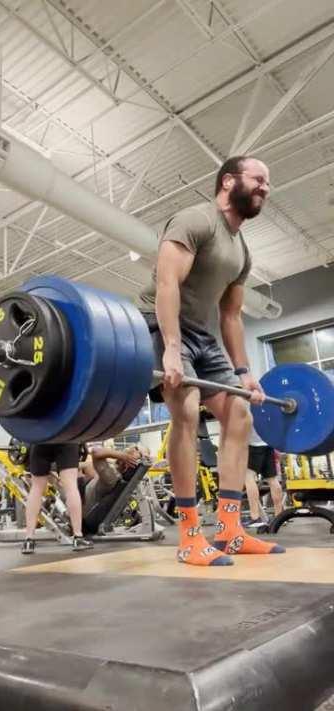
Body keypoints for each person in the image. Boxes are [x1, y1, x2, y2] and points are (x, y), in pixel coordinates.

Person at [137, 154, 285, 566]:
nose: (265, 188)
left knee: (239, 415)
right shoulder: (195, 220)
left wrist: (244, 372)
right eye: (258, 179)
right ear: (227, 182)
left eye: (267, 183)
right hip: (163, 323)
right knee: (185, 410)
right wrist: (169, 346)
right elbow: (167, 283)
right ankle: (188, 536)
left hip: (204, 336)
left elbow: (231, 315)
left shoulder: (242, 251)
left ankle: (231, 531)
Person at [21, 442, 93, 554]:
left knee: (36, 489)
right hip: (66, 438)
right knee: (71, 487)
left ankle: (28, 540)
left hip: (41, 439)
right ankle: (78, 538)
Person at [83, 443, 148, 517]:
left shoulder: (112, 478)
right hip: (84, 513)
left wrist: (121, 455)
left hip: (86, 515)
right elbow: (95, 453)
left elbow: (95, 451)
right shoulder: (115, 476)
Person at [244, 427, 284, 528]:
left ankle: (255, 517)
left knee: (249, 477)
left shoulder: (246, 409)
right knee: (272, 479)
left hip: (252, 444)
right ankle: (279, 517)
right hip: (268, 443)